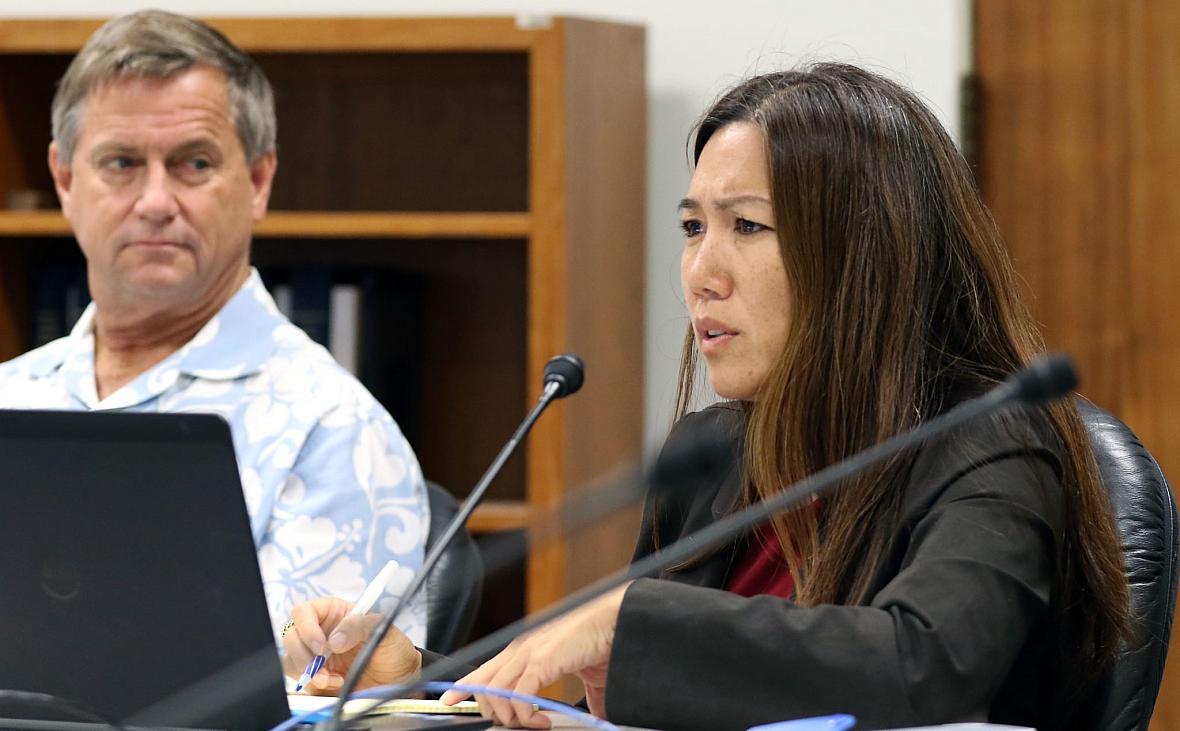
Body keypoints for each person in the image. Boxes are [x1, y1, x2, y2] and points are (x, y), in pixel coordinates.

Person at [282, 63, 1130, 730]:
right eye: (693, 227)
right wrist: (415, 681)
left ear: (867, 256)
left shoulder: (995, 446)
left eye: (746, 226)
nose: (701, 272)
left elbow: (925, 665)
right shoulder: (715, 456)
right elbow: (633, 702)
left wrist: (631, 618)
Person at [0, 10, 430, 646]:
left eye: (193, 164)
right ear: (64, 180)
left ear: (258, 181)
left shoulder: (335, 432)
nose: (154, 201)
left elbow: (316, 696)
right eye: (120, 163)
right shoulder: (12, 396)